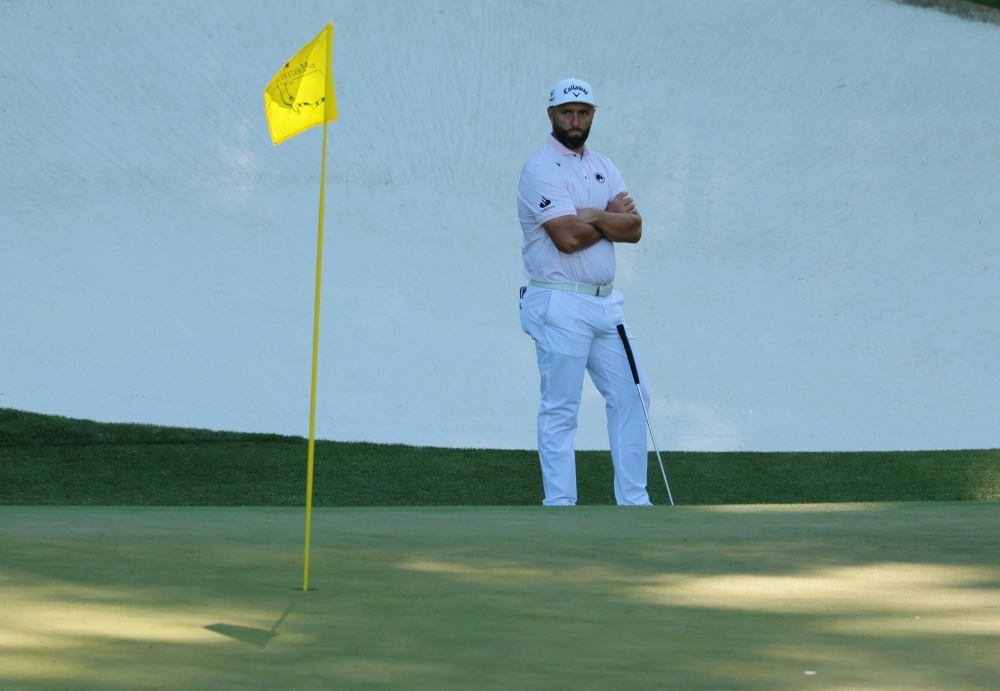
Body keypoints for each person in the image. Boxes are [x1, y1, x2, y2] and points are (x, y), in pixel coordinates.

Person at [517, 78, 653, 507]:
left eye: (583, 112)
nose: (575, 121)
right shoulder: (540, 169)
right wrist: (608, 216)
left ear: (592, 114)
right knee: (562, 406)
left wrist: (591, 214)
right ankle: (560, 505)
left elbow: (634, 229)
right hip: (559, 300)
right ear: (551, 115)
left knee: (633, 396)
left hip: (605, 304)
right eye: (567, 113)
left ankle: (634, 502)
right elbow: (567, 239)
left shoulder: (604, 166)